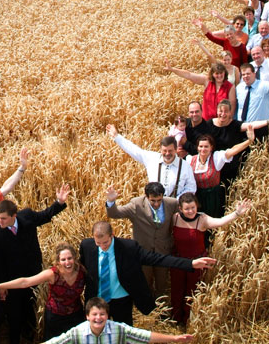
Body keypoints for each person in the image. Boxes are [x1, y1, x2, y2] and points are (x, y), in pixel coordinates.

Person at [79, 223, 215, 344]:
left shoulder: (128, 248)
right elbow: (79, 268)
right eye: (98, 243)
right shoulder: (87, 246)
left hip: (121, 301)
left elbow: (156, 259)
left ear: (112, 235)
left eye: (105, 242)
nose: (102, 246)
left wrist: (191, 264)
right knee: (95, 333)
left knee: (125, 334)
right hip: (97, 302)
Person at [0, 297, 194, 344]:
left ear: (108, 316)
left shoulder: (119, 330)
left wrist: (174, 338)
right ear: (87, 316)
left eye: (102, 314)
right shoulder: (77, 333)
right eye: (95, 315)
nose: (98, 318)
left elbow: (145, 336)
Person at [0, 184, 70, 344]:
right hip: (12, 279)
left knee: (31, 305)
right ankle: (15, 343)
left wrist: (59, 202)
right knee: (14, 311)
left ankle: (30, 335)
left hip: (32, 273)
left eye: (3, 218)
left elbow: (45, 216)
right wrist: (2, 286)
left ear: (14, 216)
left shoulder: (27, 216)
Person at [0, 241, 85, 344]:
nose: (67, 262)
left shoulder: (81, 271)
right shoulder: (52, 274)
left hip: (76, 316)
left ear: (75, 258)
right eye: (63, 259)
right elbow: (25, 282)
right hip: (56, 318)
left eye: (70, 258)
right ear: (58, 262)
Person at [170, 193, 251, 324]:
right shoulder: (175, 218)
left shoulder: (202, 219)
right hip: (179, 261)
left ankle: (188, 320)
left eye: (193, 207)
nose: (190, 211)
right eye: (187, 208)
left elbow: (220, 222)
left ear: (197, 206)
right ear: (180, 209)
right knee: (176, 290)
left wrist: (237, 213)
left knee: (193, 291)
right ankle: (175, 319)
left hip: (198, 262)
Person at [104, 182, 179, 302]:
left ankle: (162, 310)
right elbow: (114, 213)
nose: (156, 204)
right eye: (153, 200)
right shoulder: (136, 204)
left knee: (162, 283)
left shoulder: (172, 203)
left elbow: (187, 212)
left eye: (159, 200)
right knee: (145, 281)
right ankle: (148, 308)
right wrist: (111, 201)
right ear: (146, 197)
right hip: (143, 251)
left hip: (163, 251)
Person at [188, 132, 255, 249]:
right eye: (201, 146)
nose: (203, 149)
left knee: (213, 224)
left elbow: (233, 150)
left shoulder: (216, 158)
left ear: (211, 148)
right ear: (197, 147)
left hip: (213, 198)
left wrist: (249, 141)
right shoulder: (191, 160)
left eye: (206, 146)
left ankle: (212, 248)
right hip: (197, 198)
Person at [107, 124, 195, 197]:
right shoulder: (152, 158)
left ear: (176, 150)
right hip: (153, 206)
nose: (167, 153)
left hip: (176, 209)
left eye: (170, 151)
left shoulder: (185, 166)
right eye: (164, 151)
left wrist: (178, 200)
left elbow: (191, 188)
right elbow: (134, 150)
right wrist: (116, 137)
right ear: (160, 150)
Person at [163, 60, 236, 122]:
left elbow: (232, 106)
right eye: (217, 73)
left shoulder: (230, 87)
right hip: (206, 121)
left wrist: (228, 122)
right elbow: (189, 75)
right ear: (212, 74)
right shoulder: (206, 81)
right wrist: (172, 69)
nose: (219, 75)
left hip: (221, 123)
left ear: (224, 73)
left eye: (221, 73)